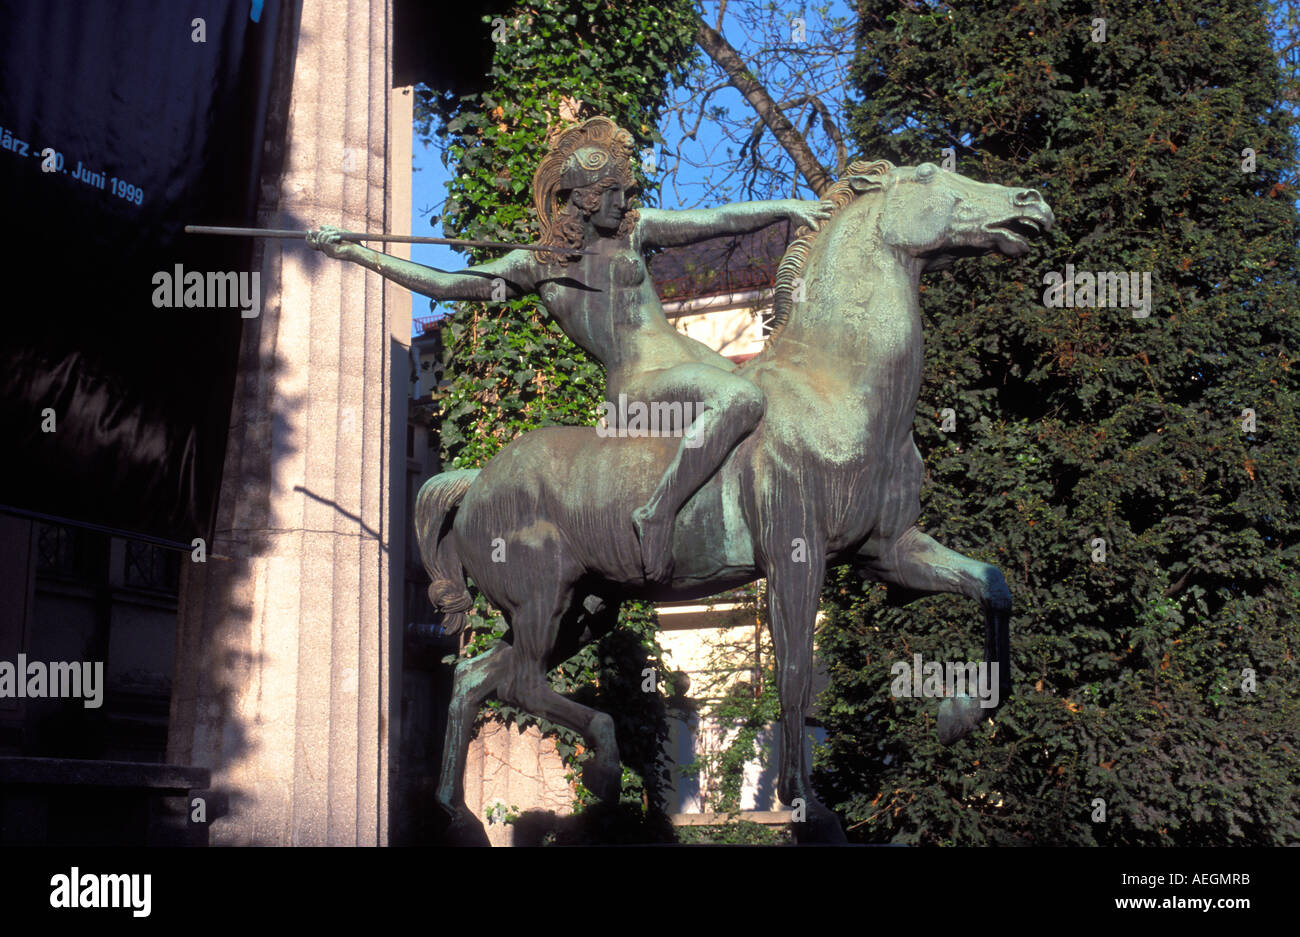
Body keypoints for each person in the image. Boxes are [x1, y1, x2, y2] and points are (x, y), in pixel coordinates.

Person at [308, 116, 829, 583]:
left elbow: (717, 221)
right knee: (741, 402)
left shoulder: (635, 232)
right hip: (640, 387)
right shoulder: (536, 265)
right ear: (583, 197)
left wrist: (784, 207)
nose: (624, 203)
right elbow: (445, 285)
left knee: (780, 400)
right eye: (613, 193)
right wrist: (357, 252)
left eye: (625, 192)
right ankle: (658, 511)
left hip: (693, 363)